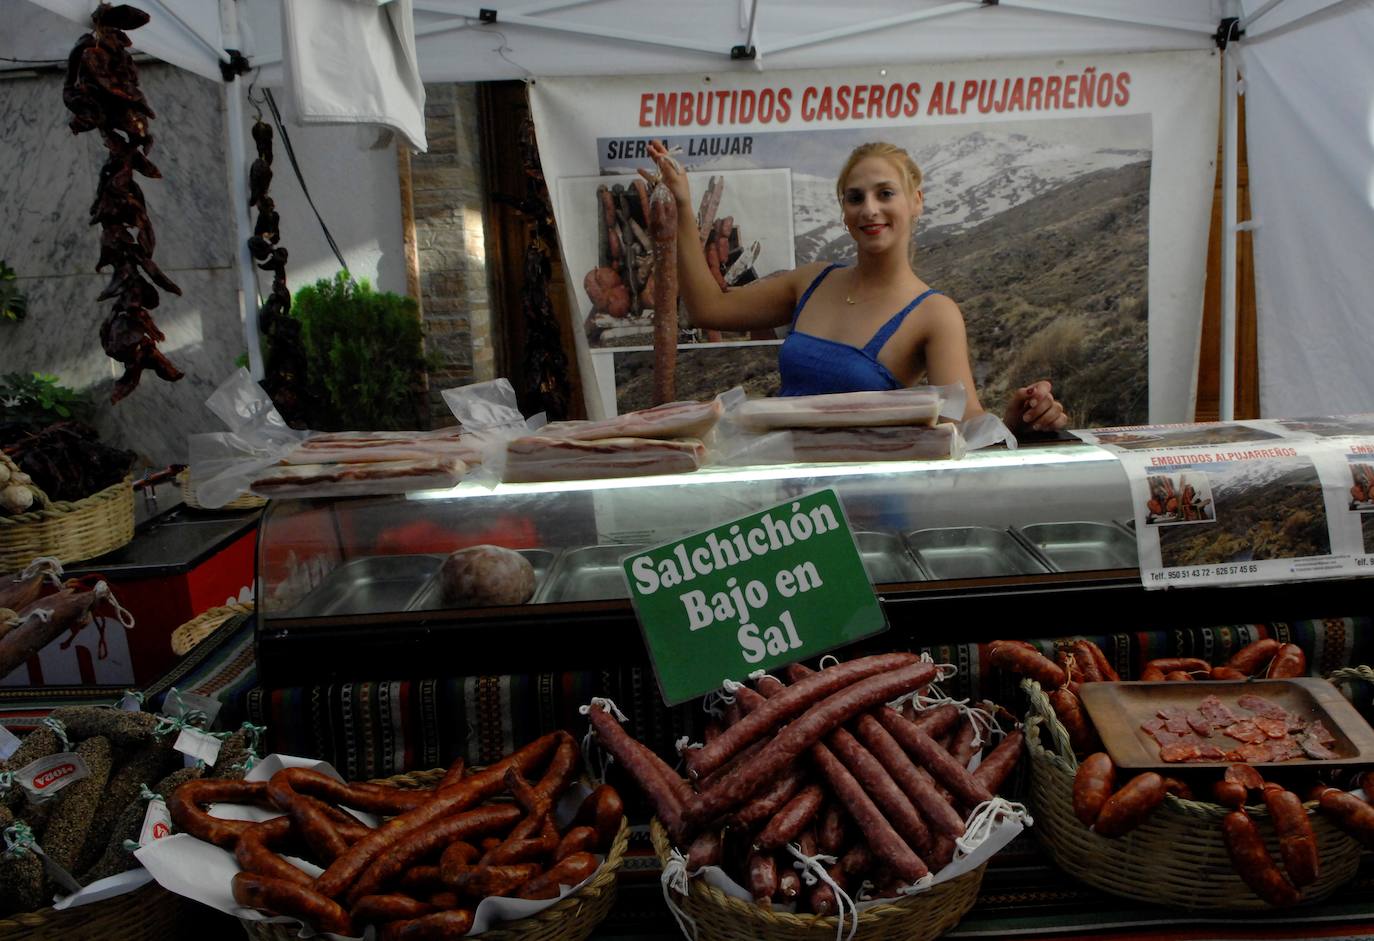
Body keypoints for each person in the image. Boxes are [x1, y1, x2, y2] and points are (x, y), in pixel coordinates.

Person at [640, 140, 1069, 435]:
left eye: (885, 193)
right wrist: (680, 204)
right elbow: (708, 309)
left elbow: (964, 420)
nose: (870, 209)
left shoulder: (934, 314)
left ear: (915, 201)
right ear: (844, 212)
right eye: (855, 197)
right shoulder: (812, 281)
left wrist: (1016, 419)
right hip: (792, 505)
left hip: (867, 509)